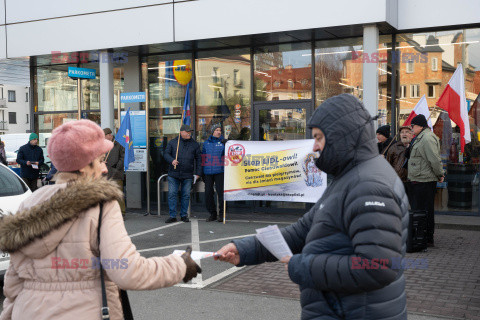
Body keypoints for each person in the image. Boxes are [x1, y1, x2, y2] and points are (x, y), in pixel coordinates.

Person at [215, 94, 408, 320]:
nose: (314, 146)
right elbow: (303, 230)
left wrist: (303, 266)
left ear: (341, 137)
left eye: (319, 137)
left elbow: (377, 266)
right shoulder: (348, 177)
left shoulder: (368, 185)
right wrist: (246, 249)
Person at [0, 120, 201, 320]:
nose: (105, 169)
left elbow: (13, 285)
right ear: (83, 166)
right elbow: (127, 270)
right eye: (100, 161)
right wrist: (180, 265)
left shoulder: (31, 202)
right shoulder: (101, 204)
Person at [407, 114, 444, 247]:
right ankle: (420, 236)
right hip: (419, 179)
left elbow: (434, 159)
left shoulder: (427, 138)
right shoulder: (420, 137)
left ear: (420, 126)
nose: (411, 129)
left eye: (413, 126)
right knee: (419, 210)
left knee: (425, 210)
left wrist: (440, 174)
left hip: (425, 181)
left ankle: (427, 238)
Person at [164, 124, 201, 223]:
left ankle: (184, 215)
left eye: (190, 132)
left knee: (186, 195)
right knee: (172, 194)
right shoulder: (173, 142)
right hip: (173, 173)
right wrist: (172, 160)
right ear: (181, 132)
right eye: (187, 132)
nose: (189, 133)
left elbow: (199, 159)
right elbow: (166, 154)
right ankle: (172, 215)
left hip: (188, 174)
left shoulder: (195, 144)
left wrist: (198, 173)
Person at [202, 124, 226, 222]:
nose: (218, 132)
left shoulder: (224, 143)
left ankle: (221, 214)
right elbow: (203, 157)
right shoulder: (206, 143)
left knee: (221, 193)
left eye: (220, 130)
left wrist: (227, 143)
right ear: (212, 132)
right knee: (208, 193)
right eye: (216, 130)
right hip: (208, 172)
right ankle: (213, 214)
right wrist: (202, 171)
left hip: (220, 171)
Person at [386, 125, 413, 203]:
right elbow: (388, 165)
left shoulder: (415, 146)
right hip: (398, 182)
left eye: (407, 132)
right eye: (402, 132)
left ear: (411, 135)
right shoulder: (393, 148)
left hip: (412, 182)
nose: (404, 134)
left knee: (414, 206)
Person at [103, 128, 126, 217]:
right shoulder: (102, 145)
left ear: (109, 135)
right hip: (105, 174)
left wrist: (116, 167)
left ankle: (122, 213)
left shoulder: (118, 144)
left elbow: (123, 157)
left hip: (116, 173)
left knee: (118, 194)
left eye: (104, 136)